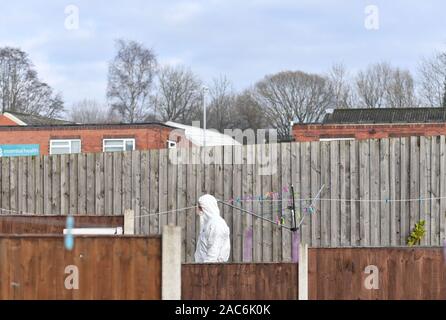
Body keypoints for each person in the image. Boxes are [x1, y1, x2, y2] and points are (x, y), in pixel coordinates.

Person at [194, 194, 230, 263]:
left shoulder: (217, 224)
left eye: (200, 207)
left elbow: (214, 251)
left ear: (207, 207)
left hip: (212, 270)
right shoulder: (208, 224)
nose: (198, 210)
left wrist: (207, 269)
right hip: (203, 268)